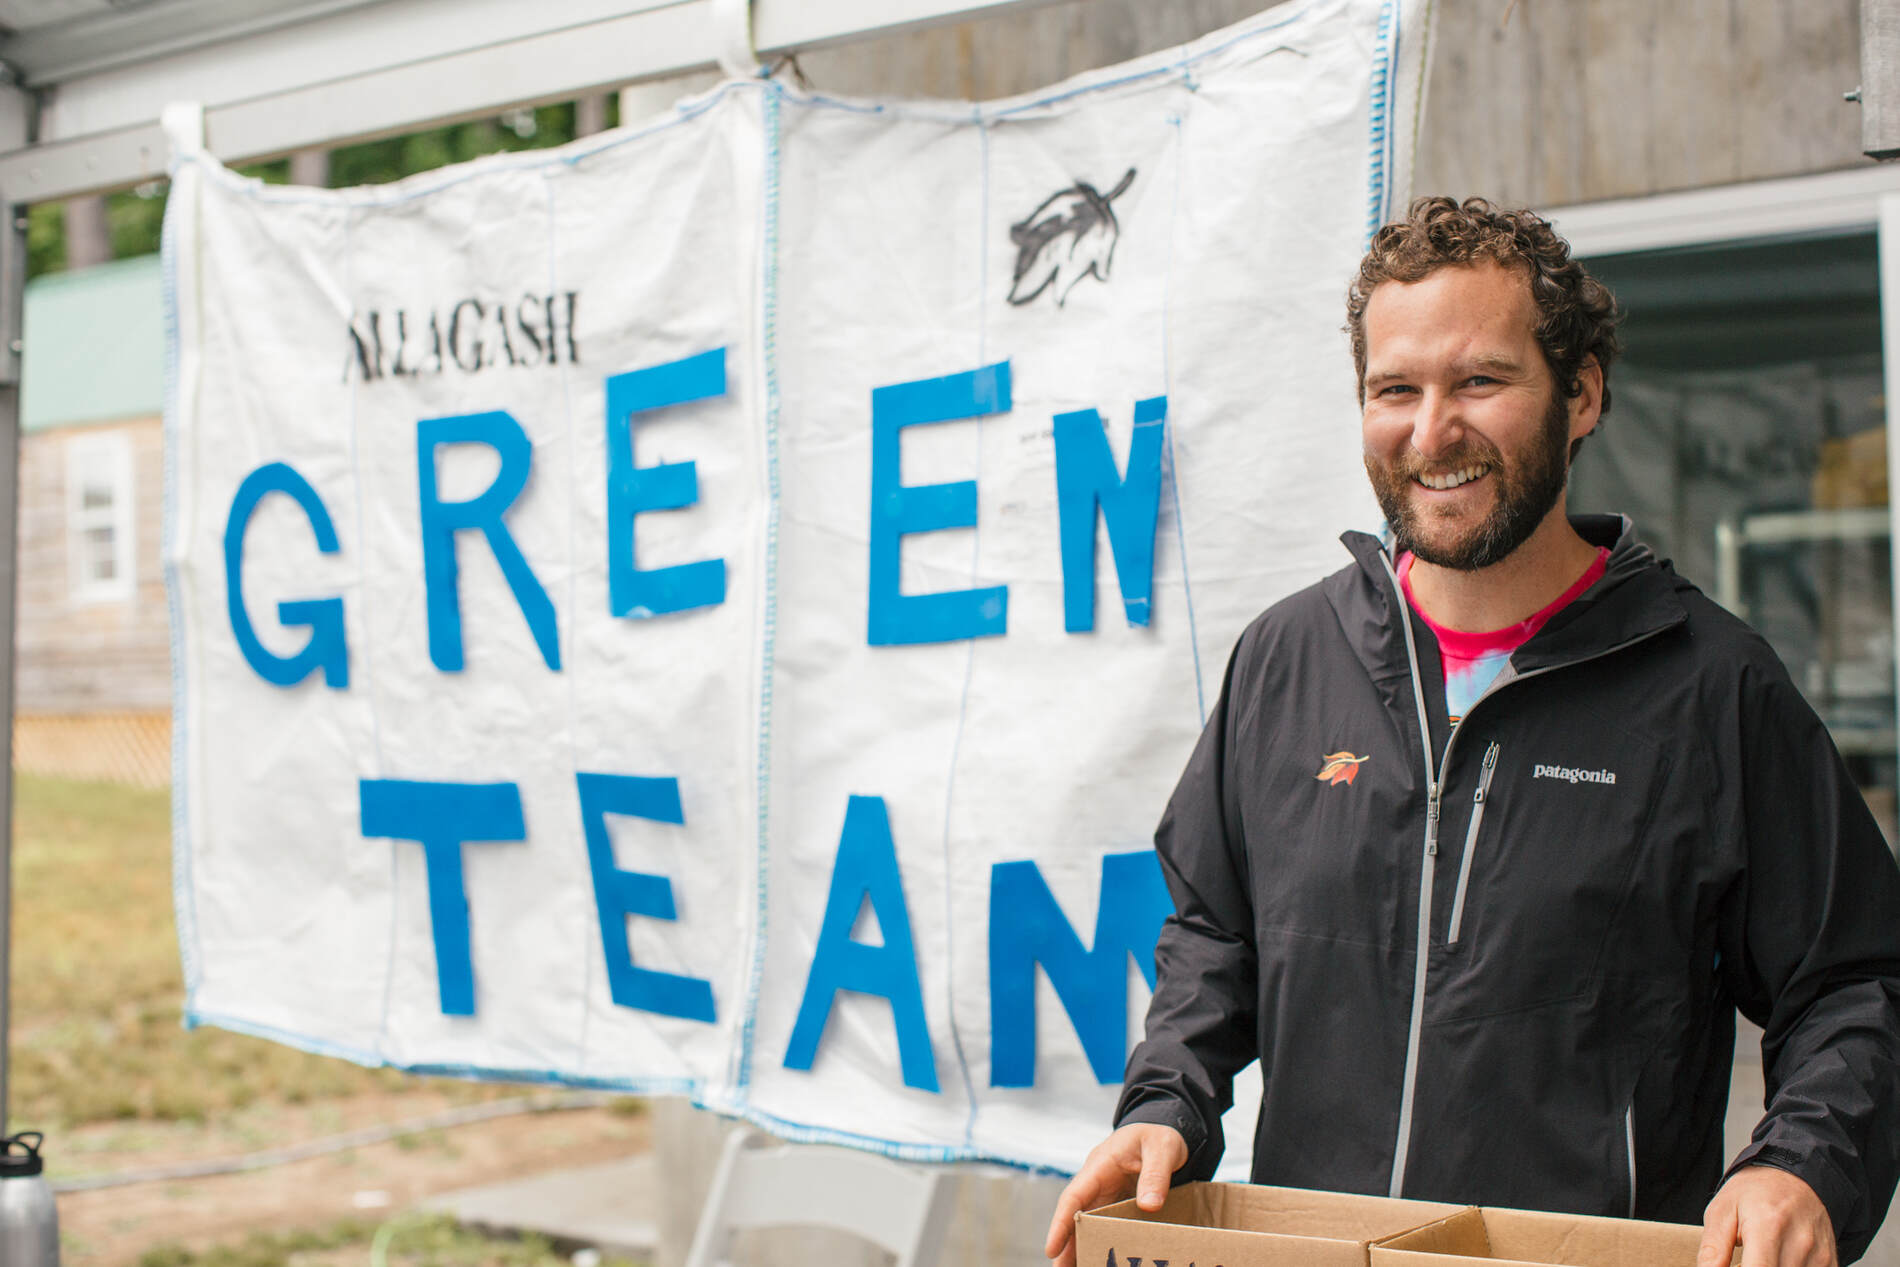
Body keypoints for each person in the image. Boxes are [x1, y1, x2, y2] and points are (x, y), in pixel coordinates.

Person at [1044, 197, 1900, 1267]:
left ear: (1580, 392)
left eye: (1480, 382)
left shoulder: (1710, 689)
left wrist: (1800, 1162)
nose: (1431, 430)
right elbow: (1216, 929)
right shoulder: (1286, 659)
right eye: (1394, 389)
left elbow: (1856, 980)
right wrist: (1165, 1105)